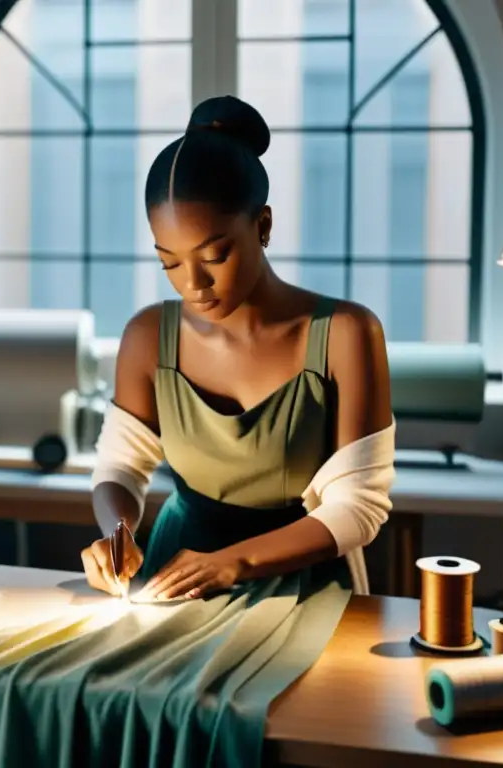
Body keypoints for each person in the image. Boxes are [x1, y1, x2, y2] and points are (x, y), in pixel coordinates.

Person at [83, 95, 395, 603]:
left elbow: (358, 506)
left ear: (264, 226)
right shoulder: (147, 337)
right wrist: (117, 534)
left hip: (304, 581)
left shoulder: (345, 333)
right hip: (174, 574)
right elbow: (120, 467)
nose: (194, 284)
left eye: (215, 255)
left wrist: (232, 564)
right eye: (170, 263)